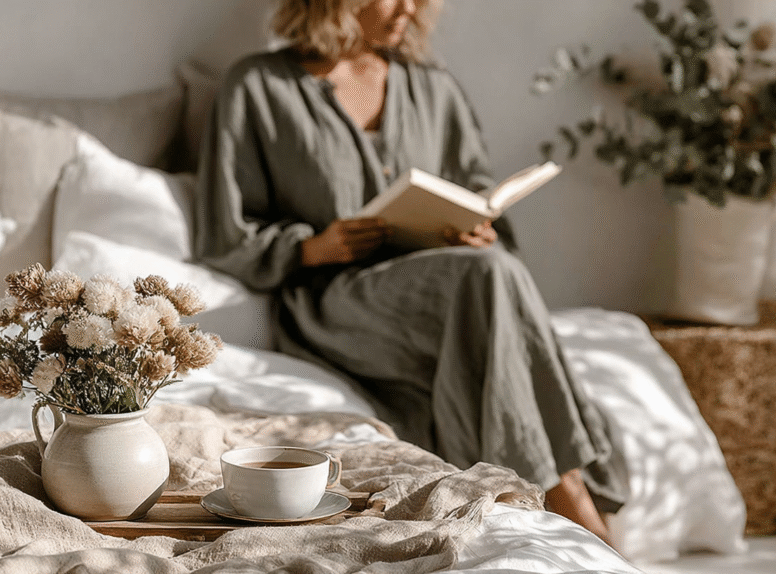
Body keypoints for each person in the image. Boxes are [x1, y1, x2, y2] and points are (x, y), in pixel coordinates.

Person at [193, 0, 628, 544]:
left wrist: (478, 226)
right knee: (487, 277)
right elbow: (224, 233)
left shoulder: (429, 83)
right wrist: (311, 246)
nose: (411, 8)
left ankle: (557, 497)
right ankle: (574, 502)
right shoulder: (257, 86)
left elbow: (476, 189)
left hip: (447, 289)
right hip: (334, 300)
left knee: (489, 268)